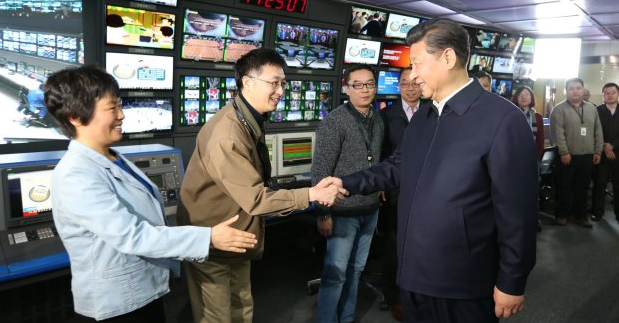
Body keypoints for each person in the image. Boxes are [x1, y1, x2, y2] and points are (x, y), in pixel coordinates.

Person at [323, 19, 539, 322]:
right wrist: (346, 182)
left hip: (462, 283)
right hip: (413, 275)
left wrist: (512, 280)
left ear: (448, 58)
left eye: (418, 64)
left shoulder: (503, 120)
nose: (413, 75)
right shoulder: (425, 114)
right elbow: (398, 165)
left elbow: (519, 212)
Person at [43, 65, 258, 322]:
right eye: (112, 108)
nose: (122, 115)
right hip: (117, 304)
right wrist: (208, 238)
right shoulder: (75, 174)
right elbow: (132, 235)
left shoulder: (114, 157)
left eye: (120, 105)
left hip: (144, 290)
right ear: (76, 117)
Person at [178, 48, 346, 323]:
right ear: (248, 82)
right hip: (213, 239)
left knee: (241, 306)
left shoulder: (248, 118)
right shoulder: (228, 134)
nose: (280, 90)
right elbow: (256, 199)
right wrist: (312, 193)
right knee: (217, 316)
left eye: (283, 83)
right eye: (274, 82)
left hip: (236, 234)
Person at [313, 65, 384, 323]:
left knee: (356, 271)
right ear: (346, 88)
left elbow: (375, 163)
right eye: (358, 85)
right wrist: (323, 214)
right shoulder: (334, 121)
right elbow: (321, 172)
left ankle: (347, 318)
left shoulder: (378, 119)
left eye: (370, 84)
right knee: (336, 274)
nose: (365, 90)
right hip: (342, 213)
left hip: (370, 209)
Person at [378, 67, 423, 321]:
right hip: (396, 190)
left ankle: (416, 292)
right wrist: (383, 186)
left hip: (425, 188)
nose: (410, 88)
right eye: (404, 84)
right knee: (395, 245)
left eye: (414, 83)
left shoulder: (431, 112)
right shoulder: (385, 117)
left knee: (419, 244)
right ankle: (393, 296)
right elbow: (381, 154)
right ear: (398, 87)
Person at [550, 78, 603, 227]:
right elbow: (557, 134)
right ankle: (561, 215)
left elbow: (598, 130)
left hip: (587, 156)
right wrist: (564, 152)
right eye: (571, 88)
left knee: (583, 188)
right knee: (564, 187)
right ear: (566, 91)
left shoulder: (592, 108)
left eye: (578, 88)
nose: (575, 91)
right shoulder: (559, 110)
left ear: (583, 89)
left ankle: (580, 216)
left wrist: (598, 151)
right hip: (567, 156)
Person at [592, 82, 619, 222]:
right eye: (606, 93)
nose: (609, 95)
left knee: (618, 185)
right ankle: (597, 213)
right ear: (603, 95)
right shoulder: (597, 111)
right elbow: (594, 131)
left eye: (612, 92)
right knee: (599, 184)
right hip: (601, 153)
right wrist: (604, 146)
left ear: (618, 93)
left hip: (618, 153)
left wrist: (612, 145)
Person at [512, 86, 544, 159]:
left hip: (533, 155)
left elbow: (540, 139)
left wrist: (538, 156)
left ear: (531, 97)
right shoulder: (511, 116)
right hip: (514, 155)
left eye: (526, 94)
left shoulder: (538, 117)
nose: (523, 97)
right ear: (516, 98)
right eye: (520, 95)